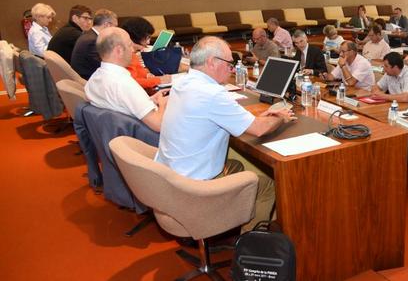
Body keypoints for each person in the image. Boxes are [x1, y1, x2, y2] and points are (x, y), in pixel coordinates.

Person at [156, 36, 293, 230]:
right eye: (229, 64)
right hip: (194, 185)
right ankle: (248, 244)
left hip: (172, 175)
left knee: (236, 164)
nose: (231, 69)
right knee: (267, 185)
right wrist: (282, 116)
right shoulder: (212, 93)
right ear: (212, 62)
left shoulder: (183, 82)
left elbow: (219, 115)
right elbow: (259, 129)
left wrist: (259, 117)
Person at [84, 27, 168, 132]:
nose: (132, 50)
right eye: (129, 45)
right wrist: (162, 104)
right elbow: (159, 125)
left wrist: (150, 100)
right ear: (119, 50)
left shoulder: (94, 79)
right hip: (149, 139)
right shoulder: (124, 84)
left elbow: (120, 105)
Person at [119, 17, 170, 90]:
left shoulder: (133, 54)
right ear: (138, 35)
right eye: (147, 37)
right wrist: (159, 80)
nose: (148, 42)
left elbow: (139, 73)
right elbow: (132, 82)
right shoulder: (126, 56)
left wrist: (148, 75)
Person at [71, 9, 118, 80]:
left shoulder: (89, 35)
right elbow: (104, 67)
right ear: (107, 25)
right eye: (115, 26)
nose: (116, 30)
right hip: (89, 81)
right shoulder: (92, 41)